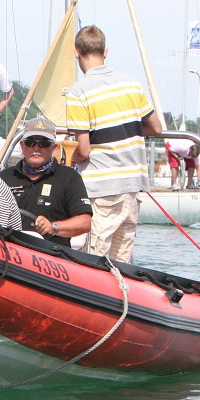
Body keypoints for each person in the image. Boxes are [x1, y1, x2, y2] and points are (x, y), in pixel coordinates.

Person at [66, 25, 161, 263]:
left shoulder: (79, 91)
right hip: (132, 184)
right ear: (105, 52)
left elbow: (84, 150)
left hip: (102, 187)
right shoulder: (131, 83)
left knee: (95, 259)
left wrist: (68, 157)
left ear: (77, 52)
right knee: (121, 261)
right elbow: (156, 128)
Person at [0, 115, 92, 245]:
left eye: (44, 143)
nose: (36, 148)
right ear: (22, 146)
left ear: (54, 148)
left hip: (51, 257)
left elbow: (85, 222)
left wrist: (53, 227)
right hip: (8, 251)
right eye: (30, 142)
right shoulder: (3, 178)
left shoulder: (69, 177)